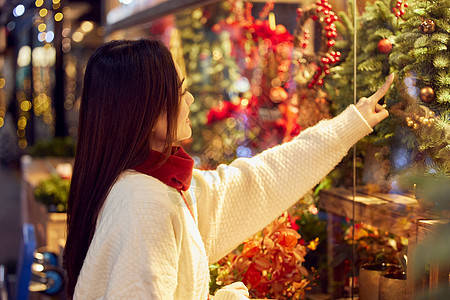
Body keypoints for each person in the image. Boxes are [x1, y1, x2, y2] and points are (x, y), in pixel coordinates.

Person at [63, 39, 394, 300]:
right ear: (145, 110)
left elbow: (259, 180)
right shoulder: (144, 204)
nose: (189, 99)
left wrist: (353, 122)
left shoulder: (151, 186)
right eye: (179, 91)